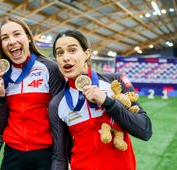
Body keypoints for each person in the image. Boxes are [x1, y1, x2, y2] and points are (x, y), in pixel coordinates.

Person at [49, 30, 153, 170]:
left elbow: (145, 130)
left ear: (86, 54)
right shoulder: (57, 103)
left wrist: (108, 102)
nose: (65, 57)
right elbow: (59, 158)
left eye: (72, 50)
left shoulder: (115, 82)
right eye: (59, 53)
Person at [0, 16, 65, 170]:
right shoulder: (0, 74)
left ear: (28, 37)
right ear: (1, 45)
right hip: (12, 154)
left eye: (17, 34)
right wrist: (0, 97)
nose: (11, 41)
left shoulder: (50, 68)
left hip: (46, 154)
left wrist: (62, 159)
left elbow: (62, 118)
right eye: (5, 38)